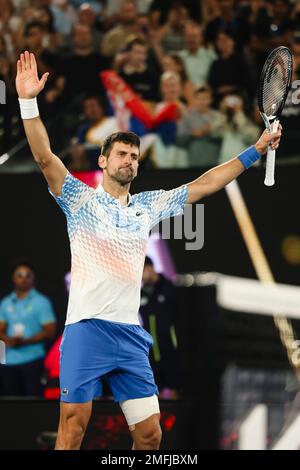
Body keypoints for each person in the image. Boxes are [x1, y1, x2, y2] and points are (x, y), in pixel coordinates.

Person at [15, 50, 281, 450]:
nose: (129, 161)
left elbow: (206, 183)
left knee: (151, 435)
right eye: (121, 154)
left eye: (134, 157)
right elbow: (42, 155)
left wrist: (256, 149)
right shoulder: (78, 199)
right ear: (103, 161)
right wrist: (27, 101)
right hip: (87, 330)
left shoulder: (148, 205)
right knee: (73, 428)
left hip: (130, 337)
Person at [0, 260, 56, 396]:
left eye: (27, 275)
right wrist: (8, 339)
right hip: (9, 360)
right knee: (10, 404)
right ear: (13, 278)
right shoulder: (6, 302)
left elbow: (50, 331)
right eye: (19, 275)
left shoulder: (41, 302)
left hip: (33, 359)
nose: (23, 279)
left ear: (33, 278)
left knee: (33, 403)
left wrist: (26, 341)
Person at [140, 257, 181, 399]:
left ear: (150, 268)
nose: (141, 277)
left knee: (176, 388)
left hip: (171, 350)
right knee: (154, 393)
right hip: (151, 352)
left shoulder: (169, 289)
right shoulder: (141, 294)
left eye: (142, 271)